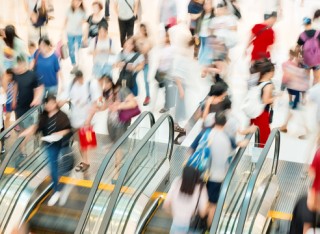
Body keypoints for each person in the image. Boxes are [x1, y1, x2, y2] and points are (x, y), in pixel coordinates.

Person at [19, 94, 72, 206]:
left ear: (54, 103)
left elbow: (68, 130)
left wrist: (60, 133)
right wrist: (24, 134)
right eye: (46, 103)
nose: (48, 105)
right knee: (53, 166)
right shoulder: (43, 116)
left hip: (62, 144)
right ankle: (57, 190)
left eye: (50, 103)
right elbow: (36, 127)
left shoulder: (62, 116)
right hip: (50, 144)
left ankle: (59, 185)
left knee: (60, 167)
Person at [59, 70, 101, 172]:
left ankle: (86, 162)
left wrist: (88, 120)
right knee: (79, 141)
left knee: (84, 142)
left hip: (87, 118)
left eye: (79, 77)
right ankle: (84, 161)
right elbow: (63, 99)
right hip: (75, 118)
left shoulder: (92, 83)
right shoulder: (71, 84)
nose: (77, 79)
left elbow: (96, 103)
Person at [163, 166, 208, 233]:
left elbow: (165, 206)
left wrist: (176, 215)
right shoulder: (201, 188)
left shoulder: (177, 181)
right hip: (191, 226)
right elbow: (203, 213)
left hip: (176, 225)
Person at [206, 112, 232, 225]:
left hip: (202, 174)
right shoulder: (226, 139)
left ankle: (196, 222)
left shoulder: (207, 134)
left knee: (201, 200)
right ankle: (208, 228)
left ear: (214, 121)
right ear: (225, 123)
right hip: (217, 177)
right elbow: (228, 159)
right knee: (213, 205)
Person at [12, 55, 44, 129]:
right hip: (20, 105)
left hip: (30, 106)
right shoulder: (16, 75)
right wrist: (13, 100)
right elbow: (15, 86)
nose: (16, 67)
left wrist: (36, 99)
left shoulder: (32, 75)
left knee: (30, 127)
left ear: (23, 64)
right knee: (22, 125)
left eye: (18, 65)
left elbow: (40, 88)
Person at [250, 60, 275, 147]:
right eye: (273, 71)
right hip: (262, 114)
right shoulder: (268, 85)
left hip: (254, 112)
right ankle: (258, 158)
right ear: (268, 72)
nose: (273, 73)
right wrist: (274, 98)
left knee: (257, 136)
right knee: (263, 138)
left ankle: (256, 156)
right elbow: (265, 100)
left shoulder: (257, 81)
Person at [155, 31, 175, 113]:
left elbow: (173, 61)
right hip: (160, 71)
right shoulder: (161, 48)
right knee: (165, 89)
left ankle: (167, 106)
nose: (162, 39)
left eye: (164, 37)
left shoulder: (172, 48)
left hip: (168, 72)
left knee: (168, 90)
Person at [296, 17, 320, 85]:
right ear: (310, 23)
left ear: (304, 24)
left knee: (306, 78)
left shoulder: (302, 35)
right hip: (317, 60)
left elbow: (297, 47)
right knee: (317, 78)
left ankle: (305, 94)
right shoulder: (318, 33)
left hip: (306, 60)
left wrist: (298, 57)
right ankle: (314, 93)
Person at [64, 0, 86, 74]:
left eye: (78, 2)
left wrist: (81, 22)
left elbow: (85, 21)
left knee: (78, 50)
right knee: (71, 50)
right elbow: (66, 20)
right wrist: (62, 31)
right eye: (75, 1)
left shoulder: (83, 11)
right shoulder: (69, 9)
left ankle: (79, 65)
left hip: (78, 34)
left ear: (81, 2)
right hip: (70, 33)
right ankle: (74, 65)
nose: (76, 3)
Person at [135, 24, 152, 106]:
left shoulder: (147, 40)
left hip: (145, 63)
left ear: (145, 31)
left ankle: (148, 96)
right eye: (140, 29)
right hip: (137, 63)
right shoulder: (137, 40)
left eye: (142, 30)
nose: (141, 31)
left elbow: (143, 51)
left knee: (146, 80)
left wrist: (138, 45)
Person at [195, 0, 215, 65]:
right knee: (202, 50)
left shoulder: (214, 15)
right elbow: (198, 24)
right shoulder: (202, 15)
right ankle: (201, 65)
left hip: (209, 36)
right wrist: (197, 33)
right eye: (205, 4)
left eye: (209, 4)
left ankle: (204, 66)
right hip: (201, 35)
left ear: (212, 5)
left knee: (207, 51)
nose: (207, 6)